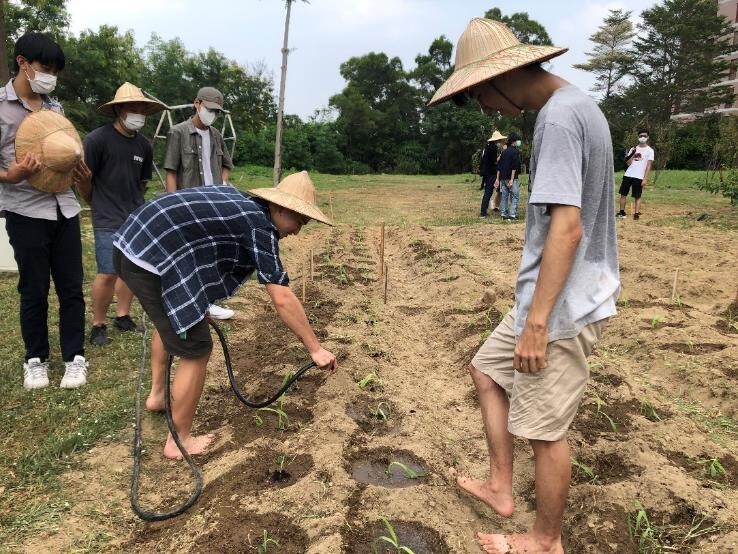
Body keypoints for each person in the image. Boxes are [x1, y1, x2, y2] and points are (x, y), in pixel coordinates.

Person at [429, 17, 620, 554]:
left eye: (475, 95)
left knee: (543, 429)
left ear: (500, 78)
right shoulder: (578, 105)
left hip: (558, 308)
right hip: (552, 298)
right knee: (486, 369)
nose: (483, 108)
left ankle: (544, 540)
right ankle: (500, 486)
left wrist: (537, 324)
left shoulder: (557, 121)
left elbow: (567, 226)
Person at [113, 171, 337, 459]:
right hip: (150, 257)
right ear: (280, 208)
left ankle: (158, 396)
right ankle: (178, 441)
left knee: (171, 317)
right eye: (299, 221)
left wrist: (197, 302)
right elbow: (282, 297)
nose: (299, 230)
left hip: (134, 245)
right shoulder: (259, 225)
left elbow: (202, 247)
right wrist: (315, 349)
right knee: (197, 347)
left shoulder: (243, 203)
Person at [0, 32, 91, 390]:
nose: (50, 76)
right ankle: (35, 359)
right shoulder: (1, 107)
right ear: (23, 62)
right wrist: (10, 175)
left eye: (55, 71)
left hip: (64, 208)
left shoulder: (56, 110)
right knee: (33, 288)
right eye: (45, 68)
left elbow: (68, 155)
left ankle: (74, 358)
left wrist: (78, 172)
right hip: (24, 210)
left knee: (71, 287)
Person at [76, 83, 165, 346]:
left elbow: (142, 183)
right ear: (119, 110)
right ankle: (98, 323)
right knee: (107, 271)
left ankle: (123, 315)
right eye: (133, 109)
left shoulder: (144, 146)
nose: (138, 113)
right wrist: (96, 202)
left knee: (131, 270)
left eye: (142, 110)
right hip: (106, 217)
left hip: (135, 217)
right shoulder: (96, 140)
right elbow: (83, 180)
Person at [163, 86, 235, 321]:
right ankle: (187, 302)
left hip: (213, 203)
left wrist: (223, 184)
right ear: (197, 103)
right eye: (209, 109)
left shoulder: (216, 135)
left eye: (216, 111)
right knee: (187, 254)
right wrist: (172, 203)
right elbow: (171, 171)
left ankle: (208, 302)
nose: (212, 114)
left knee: (211, 253)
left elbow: (226, 163)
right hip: (187, 203)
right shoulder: (178, 132)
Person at [617, 129, 654, 221]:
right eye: (641, 136)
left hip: (639, 176)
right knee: (623, 194)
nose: (642, 138)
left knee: (637, 195)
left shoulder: (650, 150)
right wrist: (633, 154)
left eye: (644, 136)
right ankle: (622, 212)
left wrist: (645, 178)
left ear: (648, 137)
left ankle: (636, 213)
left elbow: (649, 165)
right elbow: (628, 163)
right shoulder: (633, 149)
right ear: (638, 137)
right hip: (628, 174)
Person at [480, 131, 506, 217]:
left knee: (487, 192)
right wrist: (500, 158)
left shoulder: (487, 147)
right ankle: (483, 212)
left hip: (486, 172)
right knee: (488, 192)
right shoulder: (493, 148)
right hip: (491, 173)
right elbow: (494, 162)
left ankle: (485, 209)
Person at [497, 133, 522, 220]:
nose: (518, 142)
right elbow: (514, 167)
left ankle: (503, 213)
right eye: (517, 141)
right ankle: (512, 214)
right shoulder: (515, 152)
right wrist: (512, 179)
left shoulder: (504, 152)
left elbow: (499, 166)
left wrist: (497, 178)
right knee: (515, 196)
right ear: (514, 142)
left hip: (503, 178)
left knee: (504, 196)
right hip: (511, 178)